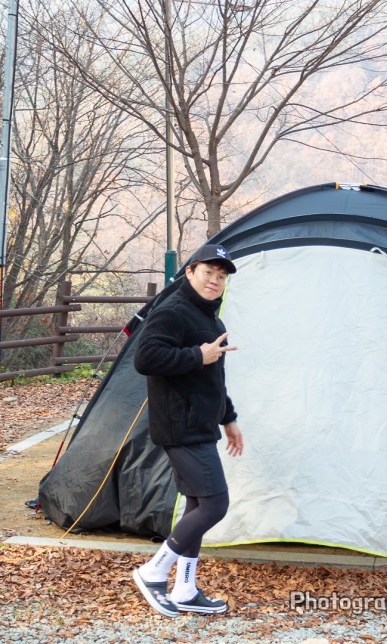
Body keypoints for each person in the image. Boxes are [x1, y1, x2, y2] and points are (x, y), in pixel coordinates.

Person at [131, 243, 244, 617]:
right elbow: (146, 358)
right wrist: (197, 355)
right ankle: (154, 571)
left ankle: (185, 589)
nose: (214, 280)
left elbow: (214, 378)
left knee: (198, 503)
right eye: (208, 273)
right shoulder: (173, 311)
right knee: (215, 503)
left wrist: (228, 417)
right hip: (178, 423)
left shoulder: (212, 320)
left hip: (200, 423)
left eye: (221, 276)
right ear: (191, 271)